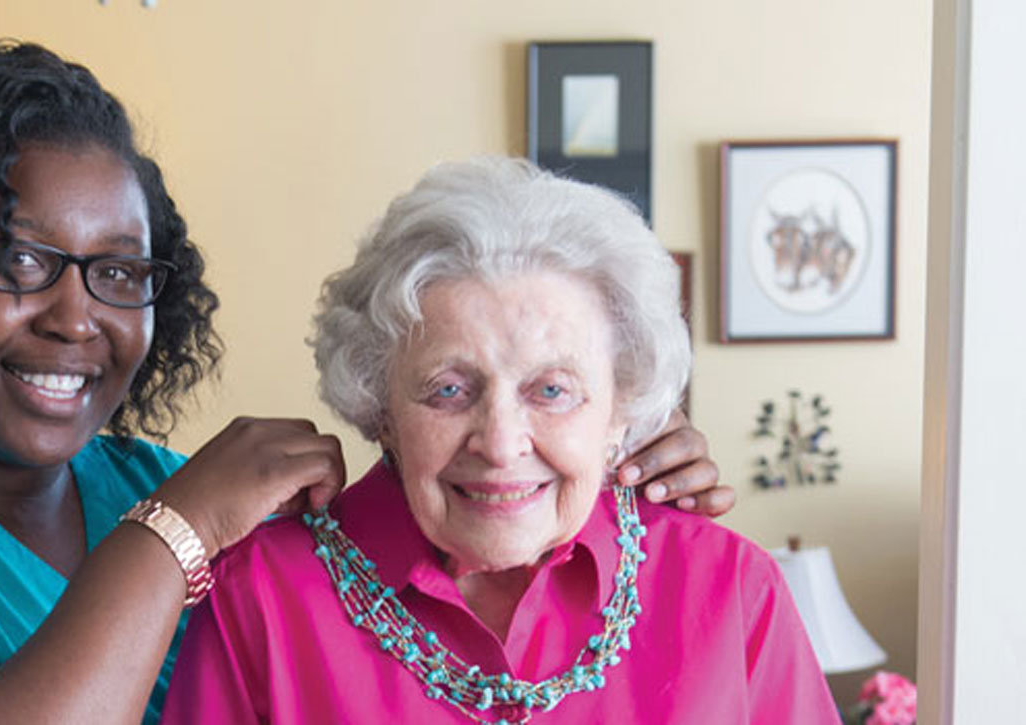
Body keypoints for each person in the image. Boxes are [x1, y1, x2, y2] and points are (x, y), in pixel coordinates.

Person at [0, 43, 733, 724]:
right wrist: (179, 523)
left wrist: (603, 472)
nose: (75, 313)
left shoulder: (140, 479)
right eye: (17, 260)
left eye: (118, 272)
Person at [161, 157, 835, 723]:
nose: (502, 442)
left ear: (622, 408)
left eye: (552, 390)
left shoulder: (729, 586)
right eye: (450, 389)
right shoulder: (262, 594)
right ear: (379, 403)